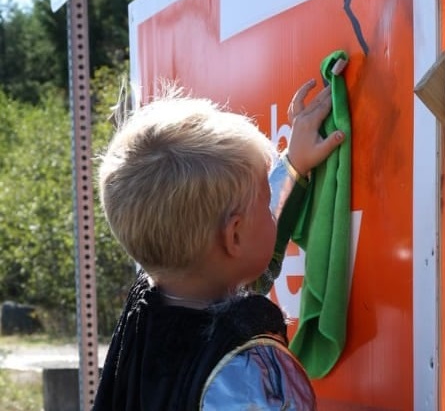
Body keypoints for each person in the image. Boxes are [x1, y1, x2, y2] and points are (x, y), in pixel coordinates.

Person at [92, 78, 344, 410]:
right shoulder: (249, 368)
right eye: (265, 202)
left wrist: (293, 167)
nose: (270, 213)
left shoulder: (148, 313)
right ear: (234, 235)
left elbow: (236, 263)